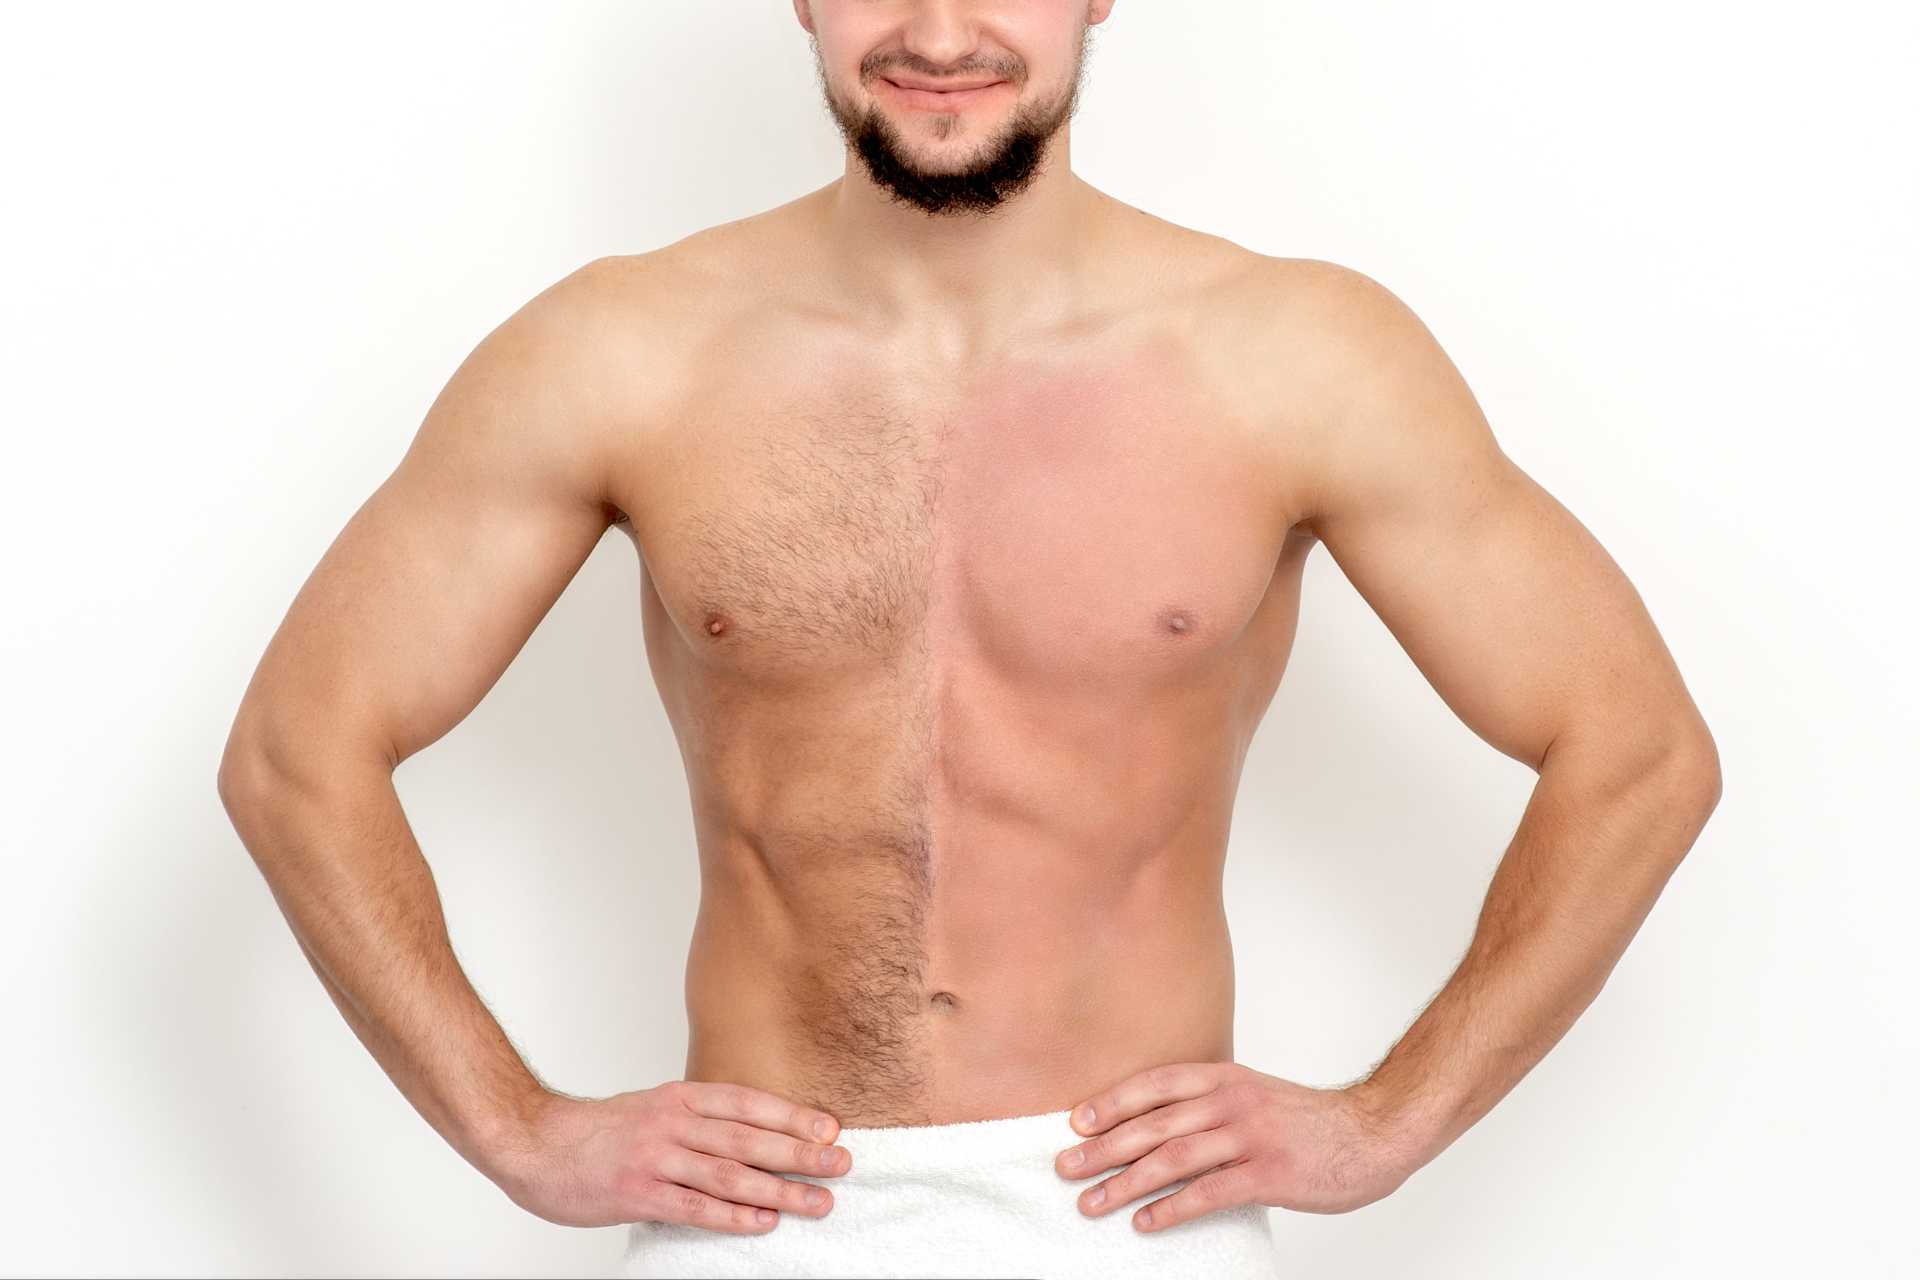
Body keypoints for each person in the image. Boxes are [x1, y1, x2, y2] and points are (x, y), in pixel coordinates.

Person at [216, 2, 1722, 1277]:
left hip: (1137, 1224)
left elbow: (1639, 754)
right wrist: (514, 1128)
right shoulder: (624, 350)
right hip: (757, 1224)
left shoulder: (1296, 355)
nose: (941, 33)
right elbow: (297, 755)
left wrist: (1385, 1125)